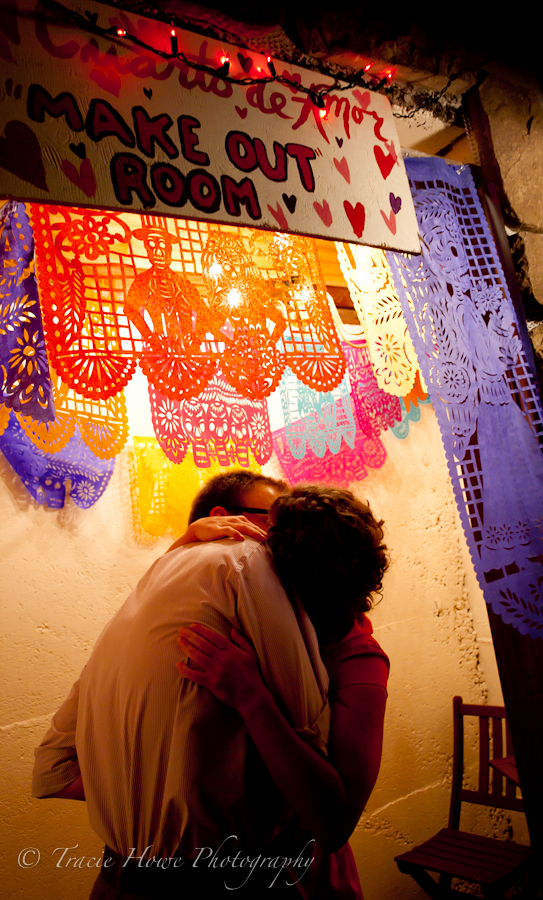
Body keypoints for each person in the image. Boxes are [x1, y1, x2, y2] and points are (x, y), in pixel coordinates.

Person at [32, 470, 331, 898]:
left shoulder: (146, 599)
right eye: (273, 520)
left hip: (118, 877)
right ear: (225, 519)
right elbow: (324, 813)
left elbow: (51, 772)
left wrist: (147, 804)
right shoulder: (246, 561)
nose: (284, 536)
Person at [177, 484, 390, 899]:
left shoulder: (359, 661)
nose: (254, 544)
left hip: (303, 879)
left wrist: (251, 697)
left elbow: (333, 825)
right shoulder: (256, 617)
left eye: (267, 537)